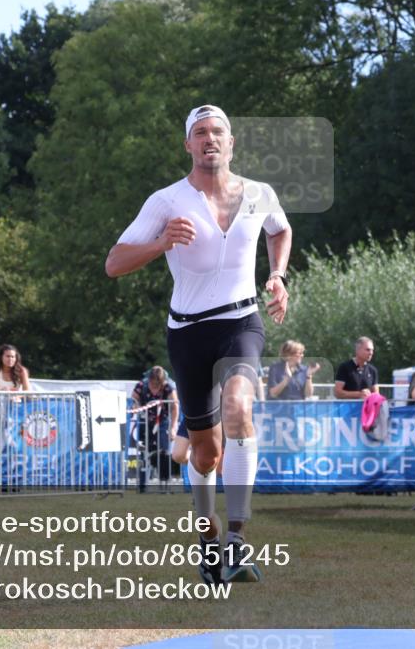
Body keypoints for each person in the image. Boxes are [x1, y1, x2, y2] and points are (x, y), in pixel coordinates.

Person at [105, 103, 291, 585]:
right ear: (188, 144)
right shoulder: (166, 201)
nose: (211, 139)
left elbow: (281, 230)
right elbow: (114, 263)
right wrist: (161, 242)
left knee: (239, 411)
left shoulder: (259, 193)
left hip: (241, 323)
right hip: (188, 332)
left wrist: (276, 275)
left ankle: (237, 538)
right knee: (204, 455)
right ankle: (209, 543)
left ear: (232, 143)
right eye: (201, 133)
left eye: (219, 132)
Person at [131, 366, 179, 492]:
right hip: (144, 421)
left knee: (164, 452)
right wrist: (136, 404)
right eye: (153, 382)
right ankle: (141, 485)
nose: (155, 385)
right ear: (149, 378)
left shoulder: (168, 387)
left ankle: (165, 485)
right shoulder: (141, 385)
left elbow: (174, 407)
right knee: (142, 453)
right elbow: (134, 398)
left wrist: (173, 427)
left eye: (158, 383)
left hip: (162, 422)